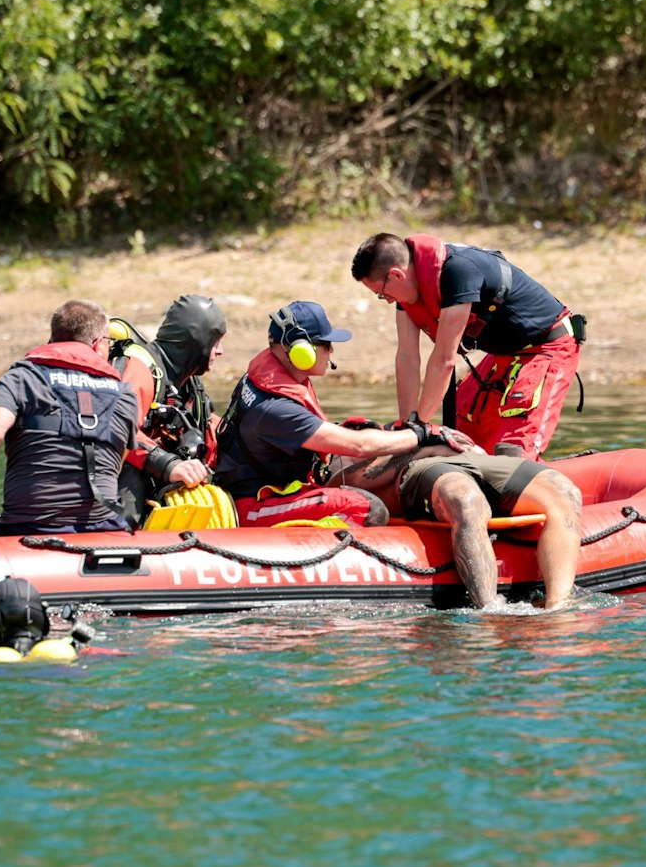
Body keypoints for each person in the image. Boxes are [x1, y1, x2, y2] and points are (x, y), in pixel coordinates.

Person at [211, 300, 466, 528]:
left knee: (375, 433)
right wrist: (423, 434)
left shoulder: (272, 372)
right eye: (326, 344)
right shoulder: (275, 408)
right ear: (301, 351)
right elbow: (359, 445)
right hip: (254, 505)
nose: (331, 351)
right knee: (368, 507)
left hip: (279, 484)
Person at [350, 232, 583, 460]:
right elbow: (407, 357)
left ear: (397, 275)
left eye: (381, 293)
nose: (388, 300)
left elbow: (445, 359)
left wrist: (419, 429)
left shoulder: (459, 272)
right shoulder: (406, 294)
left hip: (546, 347)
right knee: (464, 432)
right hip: (503, 355)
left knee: (515, 448)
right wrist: (408, 425)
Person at [0, 299, 139, 536]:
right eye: (109, 342)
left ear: (53, 339)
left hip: (27, 527)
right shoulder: (124, 393)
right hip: (102, 526)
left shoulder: (22, 378)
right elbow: (118, 457)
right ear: (98, 345)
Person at [332, 444, 584, 611]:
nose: (370, 427)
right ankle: (490, 610)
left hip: (471, 458)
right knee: (467, 501)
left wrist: (440, 438)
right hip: (421, 468)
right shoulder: (352, 450)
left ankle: (559, 608)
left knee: (566, 492)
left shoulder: (401, 431)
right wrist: (421, 446)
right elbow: (347, 480)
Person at [110, 294, 227, 527]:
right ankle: (120, 546)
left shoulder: (190, 386)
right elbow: (117, 428)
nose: (221, 351)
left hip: (163, 495)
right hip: (121, 489)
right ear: (196, 340)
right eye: (216, 342)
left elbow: (213, 431)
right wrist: (170, 465)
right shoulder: (140, 369)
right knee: (134, 474)